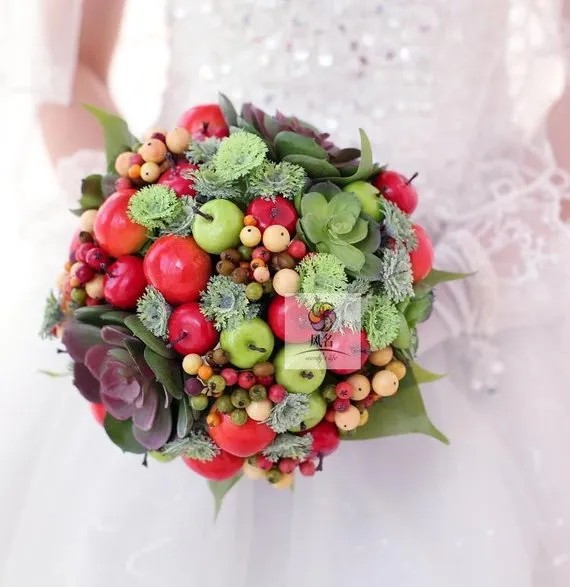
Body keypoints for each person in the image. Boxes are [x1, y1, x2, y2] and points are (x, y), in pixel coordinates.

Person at [1, 1, 569, 585]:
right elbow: (66, 66)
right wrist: (133, 245)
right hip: (187, 313)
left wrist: (473, 276)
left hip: (465, 298)